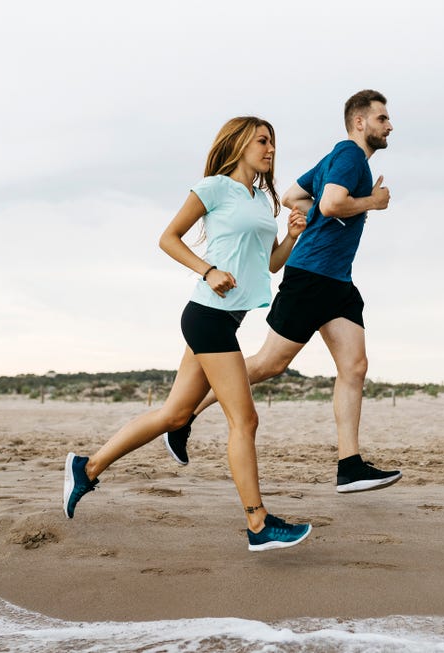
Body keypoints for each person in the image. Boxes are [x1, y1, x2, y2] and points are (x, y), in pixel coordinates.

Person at [63, 116, 312, 552]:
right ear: (238, 144)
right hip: (207, 316)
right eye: (262, 141)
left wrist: (290, 237)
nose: (270, 149)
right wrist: (208, 269)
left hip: (225, 318)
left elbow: (268, 265)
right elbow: (168, 238)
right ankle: (258, 525)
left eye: (273, 142)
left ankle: (85, 469)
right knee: (245, 419)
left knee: (176, 415)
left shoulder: (261, 199)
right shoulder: (214, 188)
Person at [164, 90, 401, 495]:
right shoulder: (348, 155)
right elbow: (329, 205)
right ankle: (184, 417)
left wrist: (314, 217)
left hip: (337, 280)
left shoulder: (335, 159)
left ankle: (350, 466)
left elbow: (293, 196)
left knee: (355, 366)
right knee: (269, 364)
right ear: (360, 123)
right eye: (381, 118)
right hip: (311, 276)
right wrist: (372, 203)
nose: (389, 125)